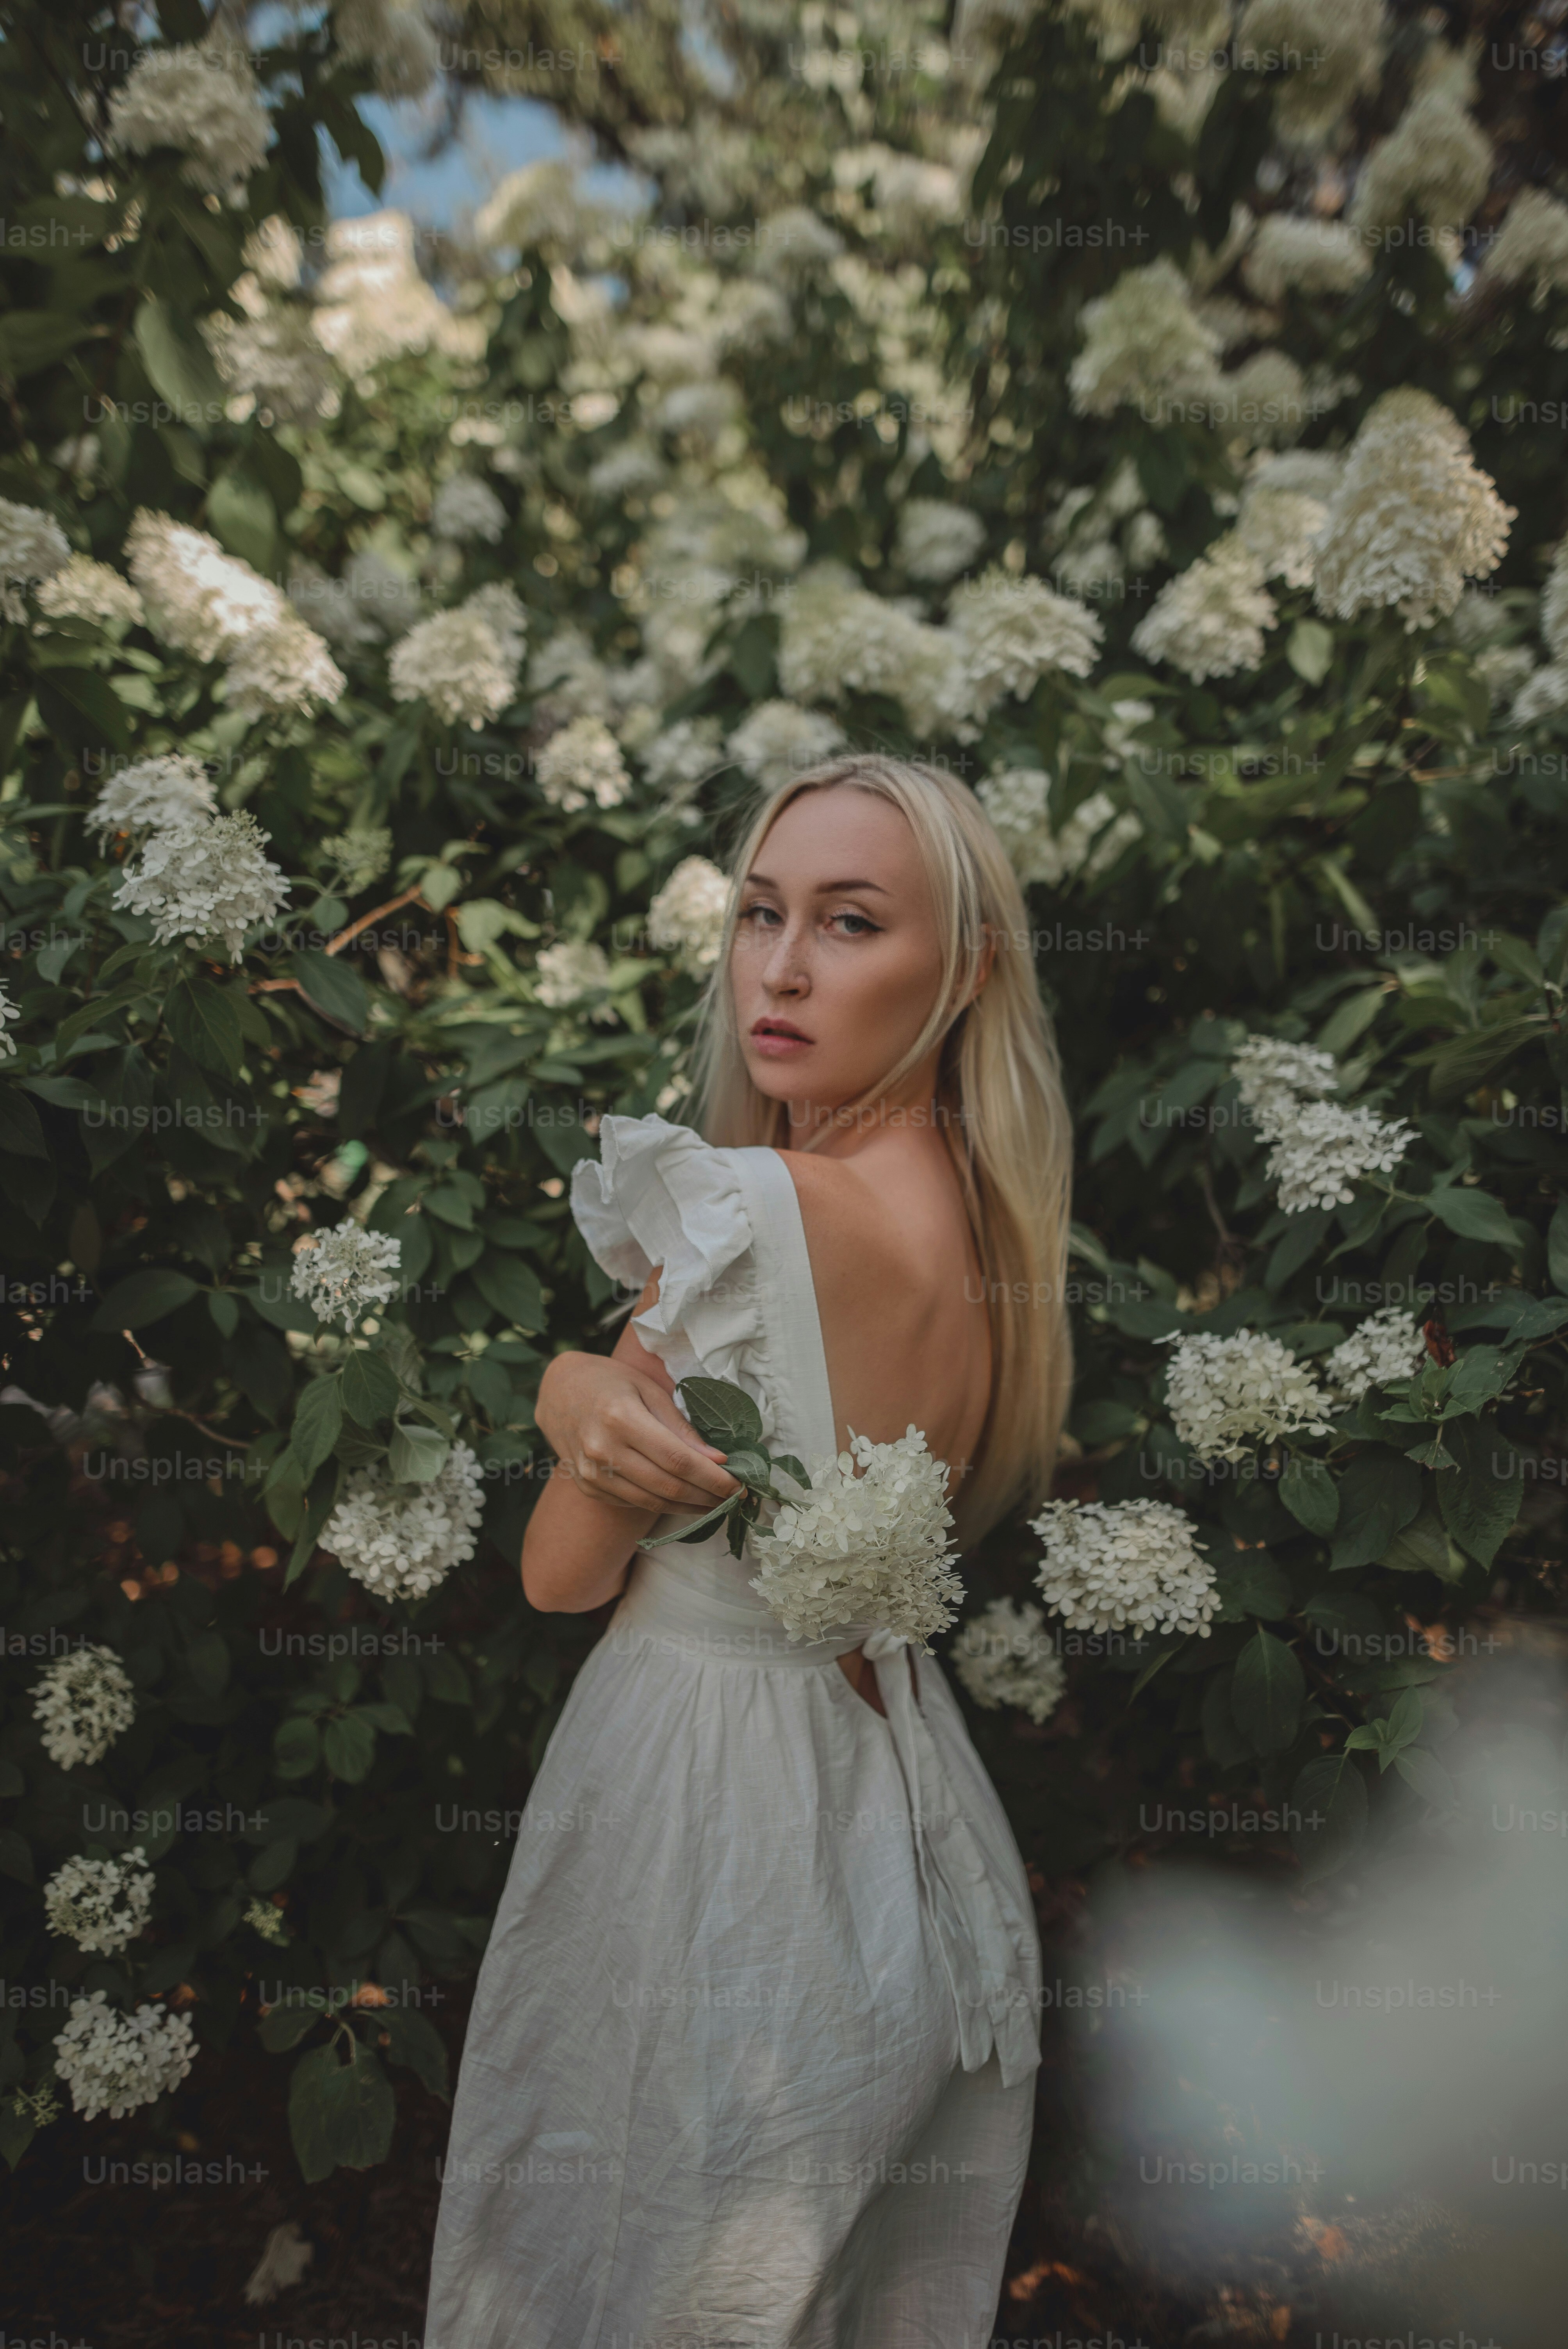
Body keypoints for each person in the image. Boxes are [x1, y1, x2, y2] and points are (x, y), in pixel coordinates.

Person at [424, 754, 1074, 2347]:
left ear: (965, 969)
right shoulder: (979, 1217)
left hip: (710, 1802)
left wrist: (564, 1383)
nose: (779, 969)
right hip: (890, 1797)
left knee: (625, 2257)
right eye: (761, 914)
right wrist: (582, 1383)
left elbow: (561, 1572)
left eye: (849, 923)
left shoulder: (755, 1210)